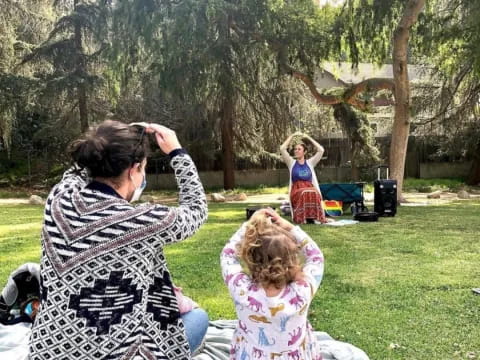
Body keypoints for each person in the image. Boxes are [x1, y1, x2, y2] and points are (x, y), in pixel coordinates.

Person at [29, 120, 209, 359]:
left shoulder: (59, 200)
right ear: (134, 170)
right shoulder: (144, 220)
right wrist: (178, 153)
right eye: (143, 167)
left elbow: (75, 172)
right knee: (198, 317)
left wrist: (110, 139)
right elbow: (196, 210)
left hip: (47, 351)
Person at [220, 208, 324, 360]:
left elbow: (227, 256)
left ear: (251, 260)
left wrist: (248, 226)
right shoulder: (302, 290)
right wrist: (289, 227)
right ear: (292, 261)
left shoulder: (240, 289)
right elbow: (316, 257)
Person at [280, 132, 330, 224]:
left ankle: (315, 217)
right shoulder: (291, 163)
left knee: (315, 192)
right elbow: (282, 148)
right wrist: (292, 136)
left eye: (299, 149)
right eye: (295, 149)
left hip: (310, 187)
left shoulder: (310, 163)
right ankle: (301, 218)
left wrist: (308, 138)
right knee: (304, 192)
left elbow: (321, 150)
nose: (296, 151)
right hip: (297, 190)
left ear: (304, 152)